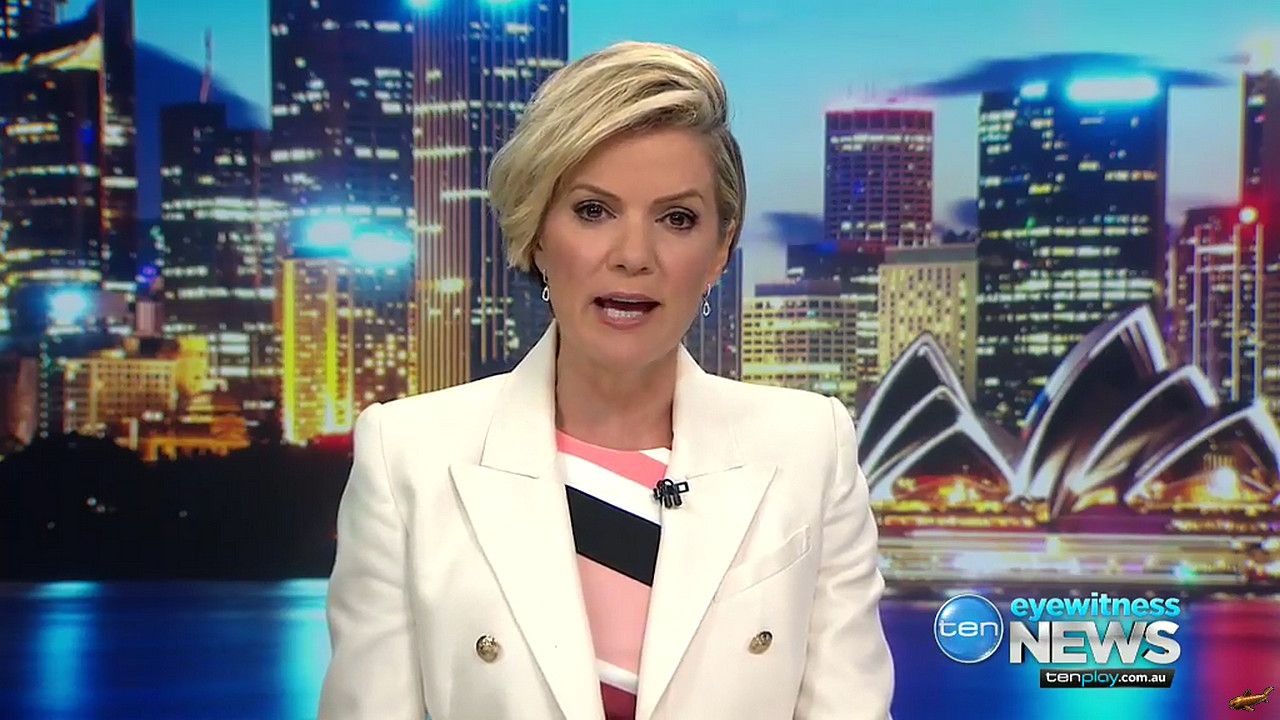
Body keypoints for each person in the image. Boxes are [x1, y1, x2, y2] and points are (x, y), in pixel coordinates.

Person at [318, 40, 895, 720]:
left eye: (677, 219)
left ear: (720, 250)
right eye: (593, 211)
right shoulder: (408, 454)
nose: (633, 256)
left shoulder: (809, 444)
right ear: (537, 233)